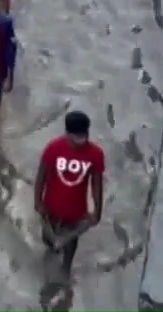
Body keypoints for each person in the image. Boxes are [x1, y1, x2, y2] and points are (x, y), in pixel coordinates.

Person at [35, 111, 106, 280]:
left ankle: (66, 268)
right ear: (67, 133)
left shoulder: (96, 154)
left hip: (76, 209)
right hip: (51, 205)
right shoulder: (53, 148)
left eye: (84, 135)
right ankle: (52, 251)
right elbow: (41, 176)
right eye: (77, 136)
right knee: (48, 239)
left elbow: (96, 184)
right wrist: (37, 201)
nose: (81, 140)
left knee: (71, 242)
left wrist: (98, 210)